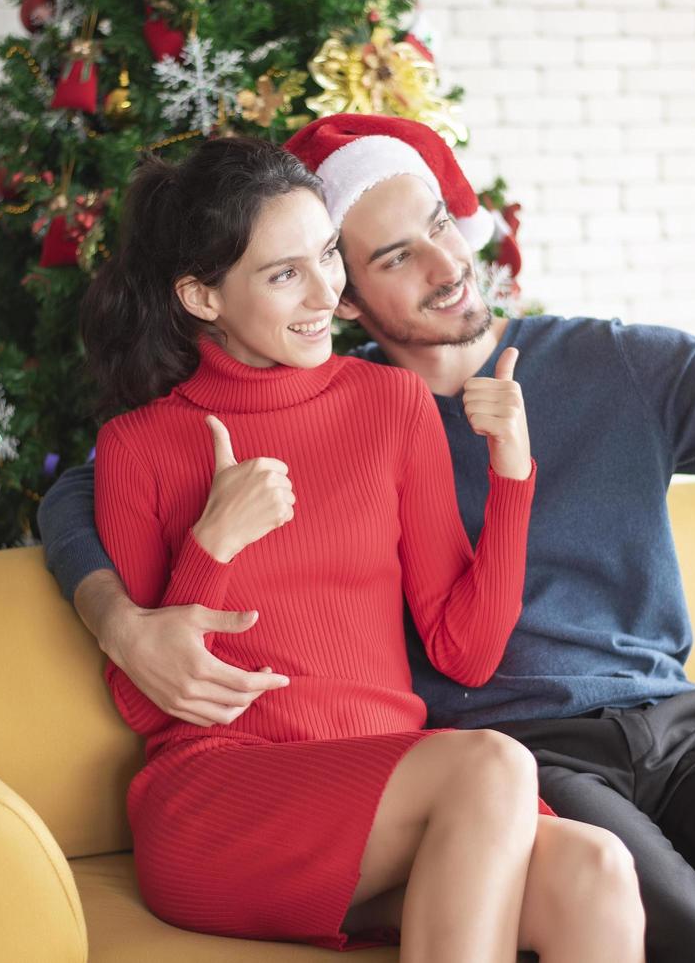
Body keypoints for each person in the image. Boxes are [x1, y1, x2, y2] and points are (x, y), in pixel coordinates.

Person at [45, 115, 695, 962]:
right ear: (350, 297)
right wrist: (117, 612)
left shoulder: (607, 367)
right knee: (684, 938)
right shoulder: (344, 405)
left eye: (444, 225)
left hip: (682, 730)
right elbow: (99, 483)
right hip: (522, 753)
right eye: (395, 255)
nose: (448, 264)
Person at [80, 134, 645, 961]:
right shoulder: (142, 445)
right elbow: (144, 702)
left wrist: (512, 475)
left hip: (393, 796)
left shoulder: (390, 405)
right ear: (202, 296)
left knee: (598, 865)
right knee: (489, 764)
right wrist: (213, 541)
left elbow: (468, 651)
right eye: (284, 275)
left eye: (325, 257)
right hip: (221, 801)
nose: (325, 295)